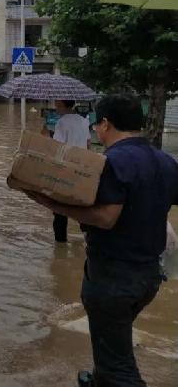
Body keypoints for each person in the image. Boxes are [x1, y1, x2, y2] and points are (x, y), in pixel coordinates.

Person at [27, 94, 178, 386]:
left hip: (114, 277)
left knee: (119, 368)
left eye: (98, 123)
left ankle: (107, 378)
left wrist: (51, 203)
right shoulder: (166, 161)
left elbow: (106, 218)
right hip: (149, 276)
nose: (96, 129)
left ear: (105, 124)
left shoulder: (112, 162)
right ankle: (98, 380)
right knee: (112, 342)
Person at [47, 99, 91, 243]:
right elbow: (88, 144)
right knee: (81, 206)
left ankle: (60, 245)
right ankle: (88, 239)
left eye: (57, 105)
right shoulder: (84, 121)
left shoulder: (61, 122)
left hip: (64, 168)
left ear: (63, 105)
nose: (55, 107)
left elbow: (57, 147)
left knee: (59, 210)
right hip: (81, 169)